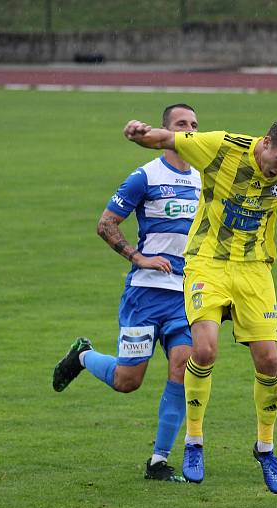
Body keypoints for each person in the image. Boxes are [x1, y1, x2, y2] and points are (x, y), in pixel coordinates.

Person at [122, 115, 277, 494]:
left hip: (254, 270)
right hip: (207, 263)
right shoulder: (223, 147)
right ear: (266, 142)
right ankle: (194, 442)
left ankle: (265, 448)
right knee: (205, 350)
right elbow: (168, 139)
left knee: (270, 360)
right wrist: (140, 134)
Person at [52, 103, 201, 483]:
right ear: (165, 132)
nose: (189, 130)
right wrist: (139, 257)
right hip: (145, 295)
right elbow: (106, 224)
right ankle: (83, 356)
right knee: (127, 381)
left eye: (194, 125)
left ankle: (158, 461)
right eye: (181, 124)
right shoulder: (145, 177)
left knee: (183, 368)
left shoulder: (204, 179)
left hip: (186, 294)